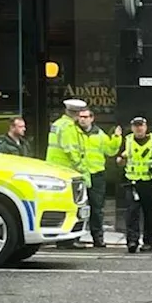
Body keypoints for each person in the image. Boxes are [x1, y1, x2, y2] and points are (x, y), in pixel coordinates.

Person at [117, 116, 152, 253]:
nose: (138, 128)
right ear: (132, 127)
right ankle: (132, 241)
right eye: (136, 126)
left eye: (141, 126)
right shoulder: (127, 141)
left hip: (149, 182)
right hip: (132, 182)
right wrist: (121, 159)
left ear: (146, 127)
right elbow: (119, 160)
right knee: (132, 212)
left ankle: (148, 242)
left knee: (150, 214)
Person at [47, 98, 91, 249]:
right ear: (77, 114)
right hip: (67, 172)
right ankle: (67, 240)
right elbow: (71, 150)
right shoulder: (68, 127)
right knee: (71, 206)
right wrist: (82, 171)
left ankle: (62, 239)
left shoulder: (57, 124)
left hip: (55, 169)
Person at [80, 108, 122, 249]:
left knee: (97, 209)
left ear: (92, 118)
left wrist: (116, 138)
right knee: (75, 208)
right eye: (80, 117)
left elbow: (111, 151)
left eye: (86, 117)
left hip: (96, 174)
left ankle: (98, 238)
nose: (83, 119)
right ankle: (71, 238)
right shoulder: (74, 133)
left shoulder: (99, 134)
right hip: (78, 174)